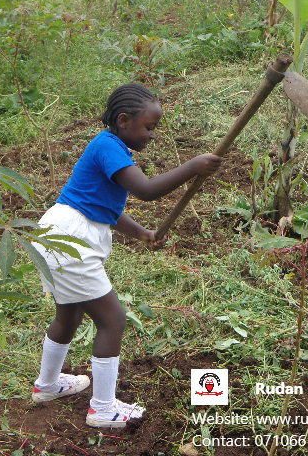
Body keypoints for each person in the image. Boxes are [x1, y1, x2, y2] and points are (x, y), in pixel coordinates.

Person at [30, 82, 222, 428]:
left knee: (69, 315)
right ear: (123, 121)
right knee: (112, 320)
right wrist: (193, 166)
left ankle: (47, 385)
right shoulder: (108, 147)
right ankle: (103, 409)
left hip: (57, 232)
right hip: (72, 239)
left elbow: (104, 207)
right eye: (149, 127)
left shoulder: (112, 150)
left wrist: (140, 233)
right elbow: (147, 191)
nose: (153, 135)